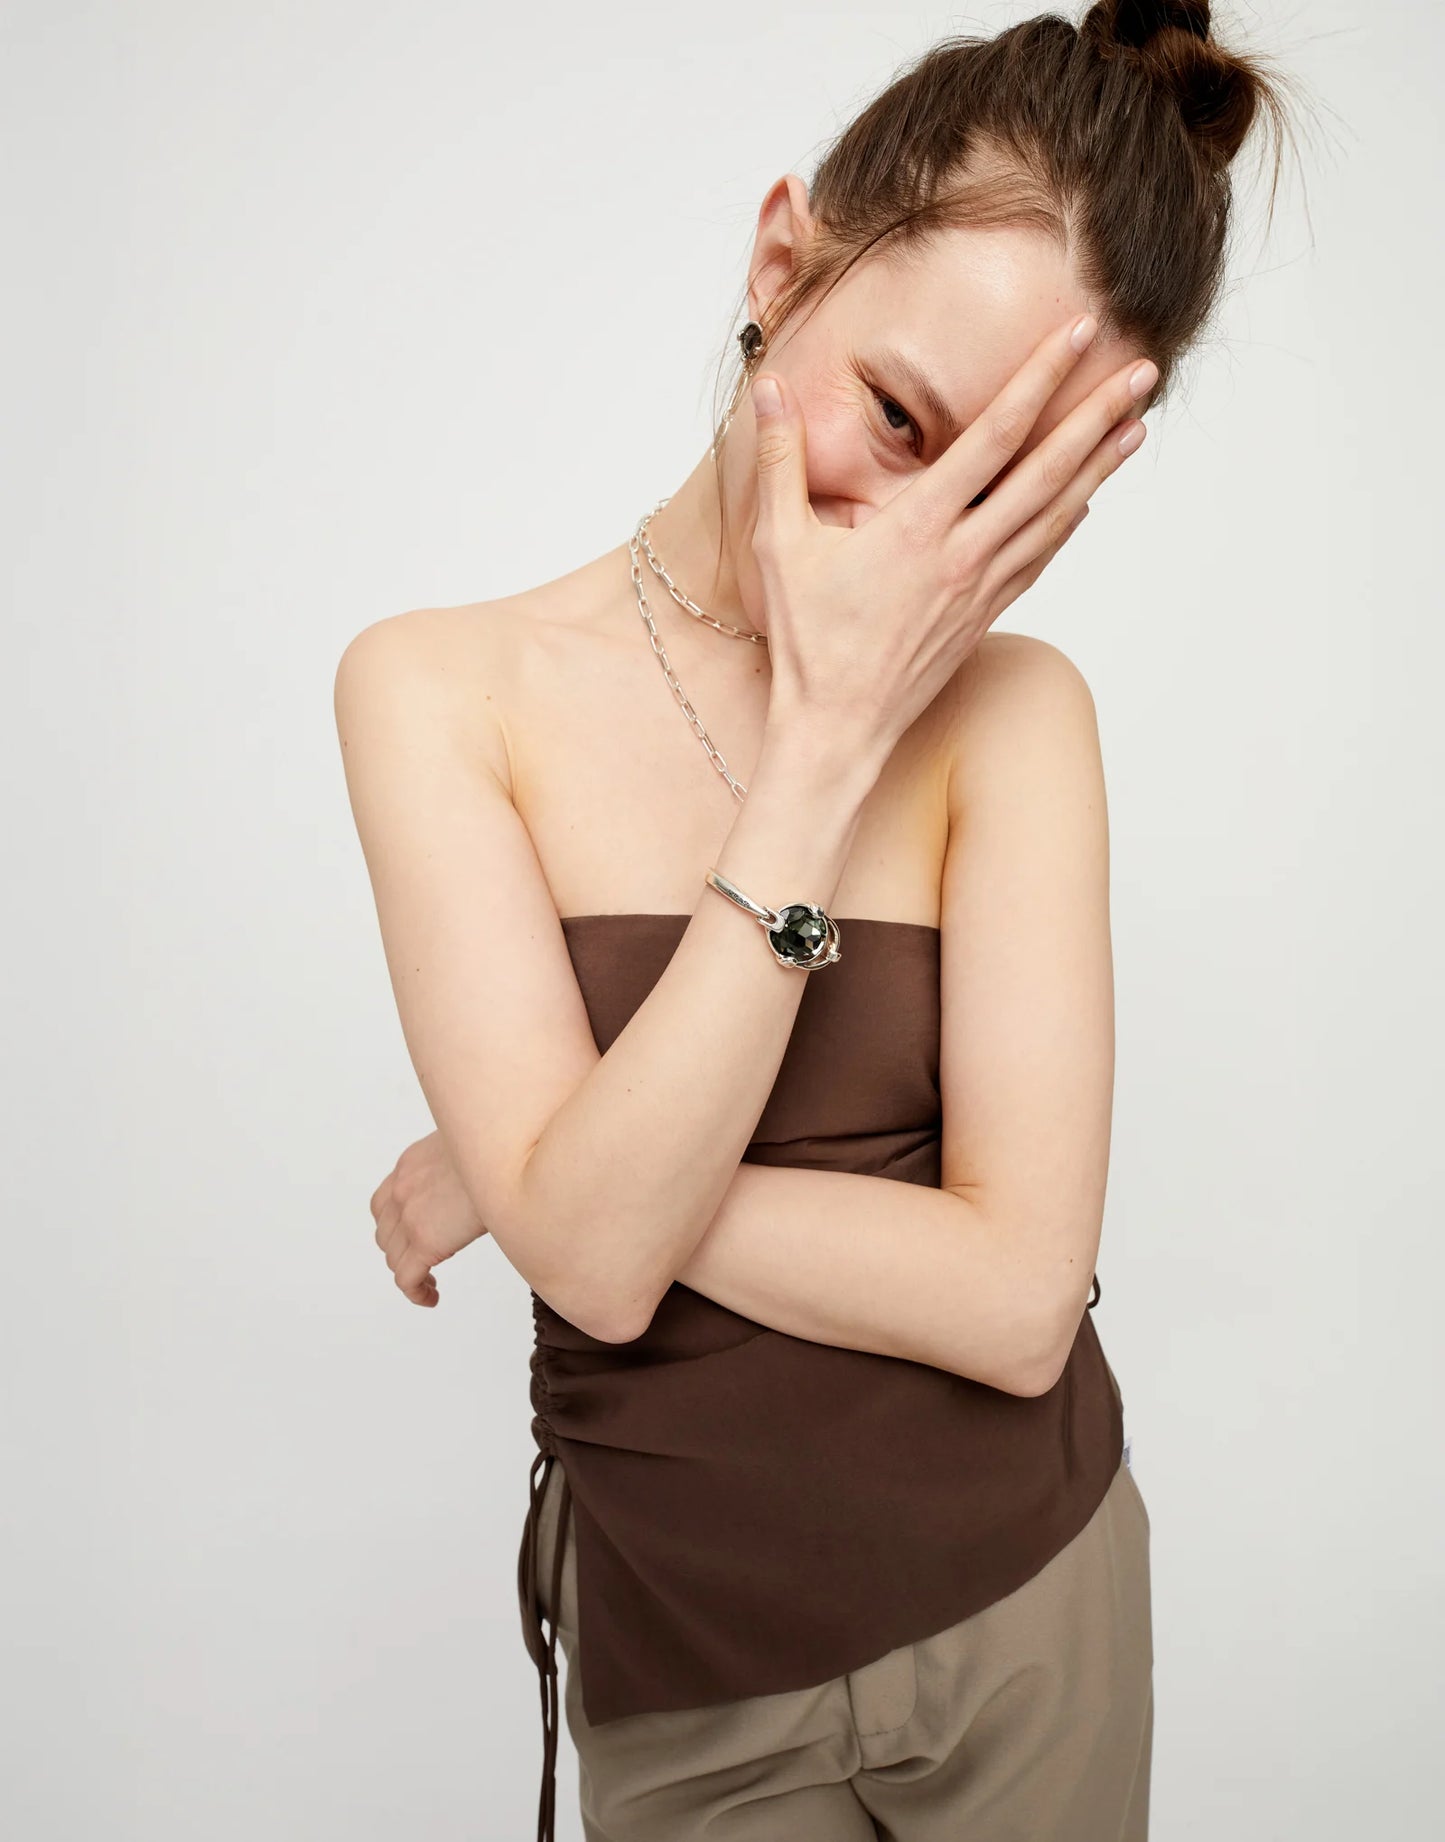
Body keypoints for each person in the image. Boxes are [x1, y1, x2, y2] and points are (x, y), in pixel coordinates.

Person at [336, 5, 1294, 1837]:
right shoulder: (436, 691)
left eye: (998, 504)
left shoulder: (1021, 716)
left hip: (1032, 1602)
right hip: (690, 1662)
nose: (909, 538)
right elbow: (597, 1268)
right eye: (900, 417)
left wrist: (525, 1159)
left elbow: (1017, 1302)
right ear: (785, 260)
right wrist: (827, 748)